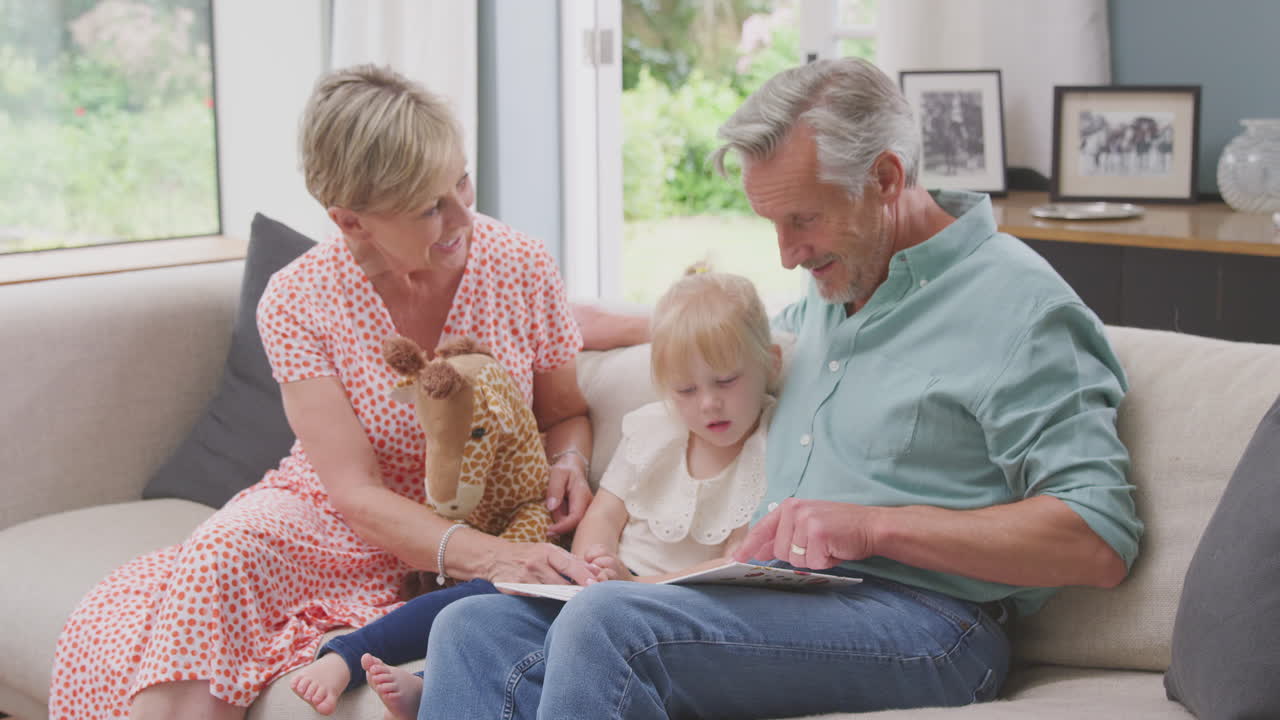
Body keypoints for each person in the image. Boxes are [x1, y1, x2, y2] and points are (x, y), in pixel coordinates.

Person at [412, 57, 1144, 719]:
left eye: (804, 219)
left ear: (887, 178)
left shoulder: (1022, 310)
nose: (789, 253)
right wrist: (626, 323)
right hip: (770, 594)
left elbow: (1097, 538)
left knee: (612, 626)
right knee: (475, 629)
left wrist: (875, 526)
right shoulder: (840, 283)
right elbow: (744, 335)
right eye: (772, 222)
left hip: (932, 622)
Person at [48, 64, 601, 720]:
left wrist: (568, 461)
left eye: (462, 180)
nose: (463, 215)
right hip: (337, 522)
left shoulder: (520, 264)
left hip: (484, 515)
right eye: (430, 205)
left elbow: (563, 410)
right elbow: (354, 492)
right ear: (352, 221)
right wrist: (499, 559)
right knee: (221, 554)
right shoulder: (297, 299)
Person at [356, 265, 782, 718]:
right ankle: (434, 680)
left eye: (726, 381)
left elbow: (736, 565)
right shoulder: (655, 430)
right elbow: (603, 514)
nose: (708, 403)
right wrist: (594, 565)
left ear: (771, 363)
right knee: (464, 620)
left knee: (576, 636)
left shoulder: (774, 446)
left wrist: (631, 586)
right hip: (608, 586)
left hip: (681, 609)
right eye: (687, 389)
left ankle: (434, 683)